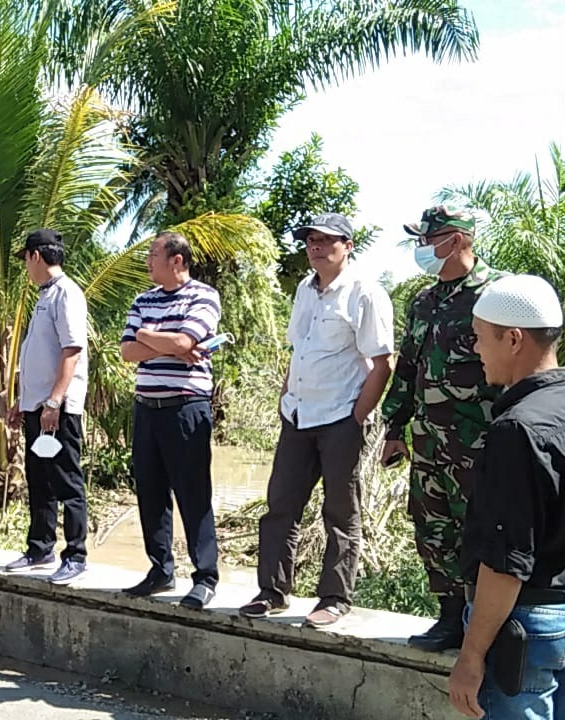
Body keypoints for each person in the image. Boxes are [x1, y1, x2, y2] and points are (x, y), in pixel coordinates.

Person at [448, 274, 565, 719]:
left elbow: (507, 561)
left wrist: (471, 655)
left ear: (513, 339)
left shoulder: (517, 430)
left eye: (480, 337)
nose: (475, 349)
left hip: (528, 628)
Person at [239, 213, 394, 626]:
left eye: (327, 240)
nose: (316, 247)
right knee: (280, 505)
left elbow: (382, 363)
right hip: (298, 415)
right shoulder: (305, 291)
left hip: (340, 416)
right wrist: (285, 396)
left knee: (341, 512)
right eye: (311, 240)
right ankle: (272, 591)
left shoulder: (365, 293)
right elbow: (300, 349)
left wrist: (356, 418)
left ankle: (334, 598)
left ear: (348, 245)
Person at [380, 205, 504, 651]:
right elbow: (408, 367)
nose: (423, 249)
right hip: (430, 441)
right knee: (432, 527)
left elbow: (515, 367)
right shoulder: (424, 301)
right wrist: (394, 428)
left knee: (483, 529)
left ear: (458, 239)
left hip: (480, 442)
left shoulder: (496, 295)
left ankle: (485, 625)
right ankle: (450, 616)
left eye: (429, 239)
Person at [119, 231, 222, 610]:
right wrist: (165, 341)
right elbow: (128, 351)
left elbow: (186, 342)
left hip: (186, 407)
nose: (147, 261)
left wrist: (151, 336)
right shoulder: (142, 299)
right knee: (150, 491)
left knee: (193, 493)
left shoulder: (204, 295)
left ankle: (205, 576)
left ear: (176, 260)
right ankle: (160, 568)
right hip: (147, 407)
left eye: (153, 254)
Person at [3, 229, 91, 585]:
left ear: (35, 256)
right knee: (39, 479)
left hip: (59, 408)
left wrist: (54, 401)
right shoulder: (44, 296)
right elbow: (38, 355)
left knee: (67, 480)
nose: (25, 266)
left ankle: (76, 555)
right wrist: (23, 403)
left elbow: (72, 350)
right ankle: (40, 547)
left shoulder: (66, 293)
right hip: (38, 408)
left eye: (25, 258)